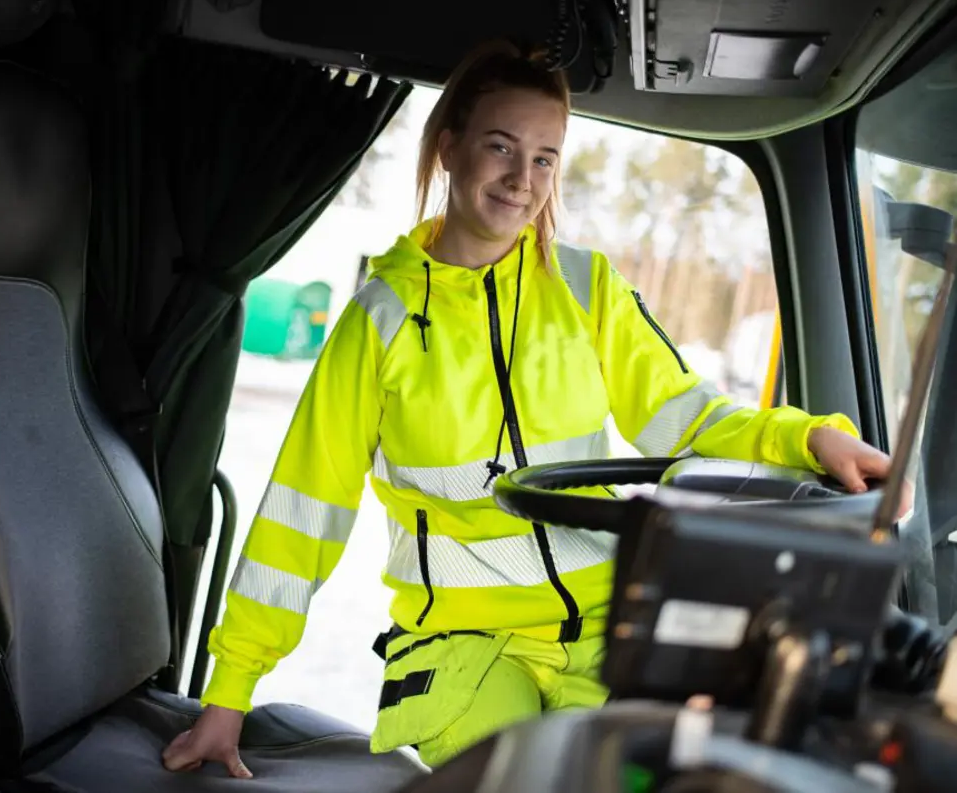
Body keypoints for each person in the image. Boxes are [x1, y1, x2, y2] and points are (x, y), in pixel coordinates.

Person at [162, 38, 909, 777]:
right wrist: (231, 689)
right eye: (501, 147)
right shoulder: (379, 319)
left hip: (601, 631)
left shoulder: (587, 289)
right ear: (449, 149)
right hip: (463, 644)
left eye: (546, 156)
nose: (524, 177)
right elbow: (304, 508)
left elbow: (689, 418)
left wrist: (808, 438)